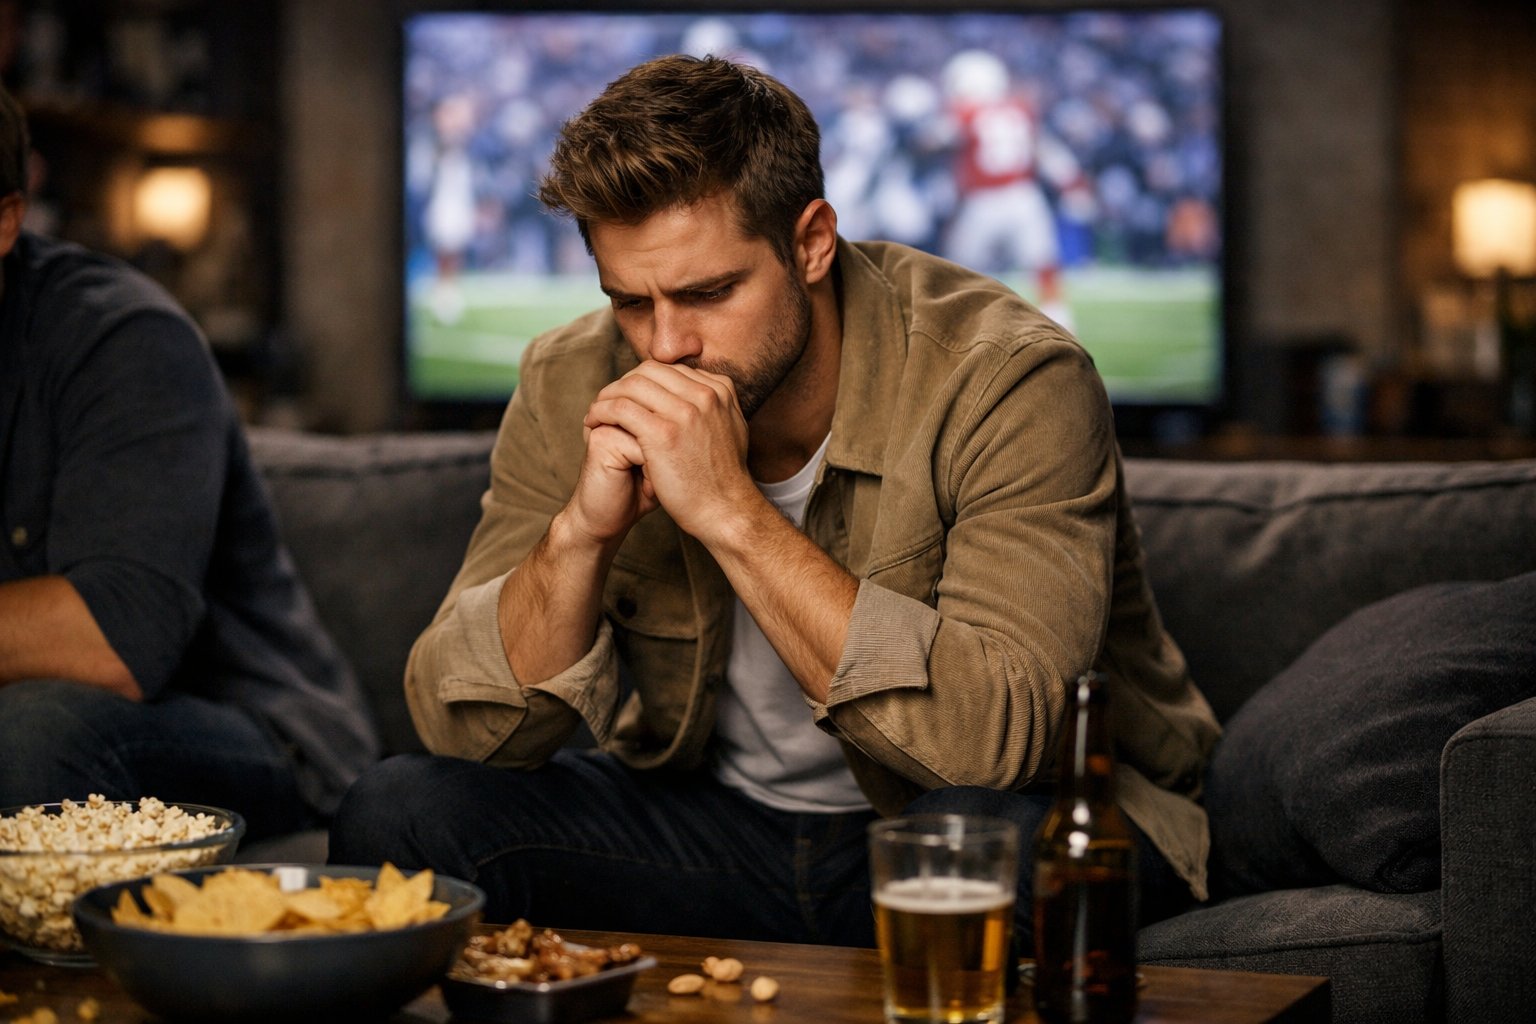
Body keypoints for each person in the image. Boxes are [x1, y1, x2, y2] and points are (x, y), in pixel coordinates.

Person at [330, 55, 1219, 946]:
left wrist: (731, 515)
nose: (667, 346)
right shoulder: (571, 377)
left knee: (1024, 857)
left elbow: (993, 749)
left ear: (811, 242)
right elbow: (464, 733)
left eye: (710, 293)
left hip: (972, 826)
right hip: (714, 827)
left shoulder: (1010, 377)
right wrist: (579, 538)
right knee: (397, 816)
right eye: (629, 302)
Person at [0, 85, 379, 840]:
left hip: (263, 735)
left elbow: (111, 644)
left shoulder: (121, 336)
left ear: (6, 219)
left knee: (33, 728)